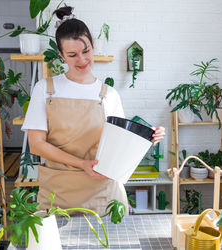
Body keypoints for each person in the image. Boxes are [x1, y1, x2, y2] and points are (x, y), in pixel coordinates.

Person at [21, 6, 165, 215]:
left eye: (86, 51)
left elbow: (119, 146)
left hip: (101, 190)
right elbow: (36, 145)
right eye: (72, 54)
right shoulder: (45, 89)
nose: (82, 60)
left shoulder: (109, 94)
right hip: (57, 192)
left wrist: (147, 135)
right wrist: (82, 164)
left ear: (93, 46)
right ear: (61, 55)